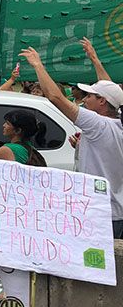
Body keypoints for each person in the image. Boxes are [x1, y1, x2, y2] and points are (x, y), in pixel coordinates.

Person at [20, 44, 123, 237]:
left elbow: (55, 97)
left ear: (102, 102)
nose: (84, 100)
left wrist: (38, 65)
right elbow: (112, 93)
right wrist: (95, 60)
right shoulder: (116, 122)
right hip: (114, 211)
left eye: (89, 96)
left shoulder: (97, 124)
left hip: (98, 213)